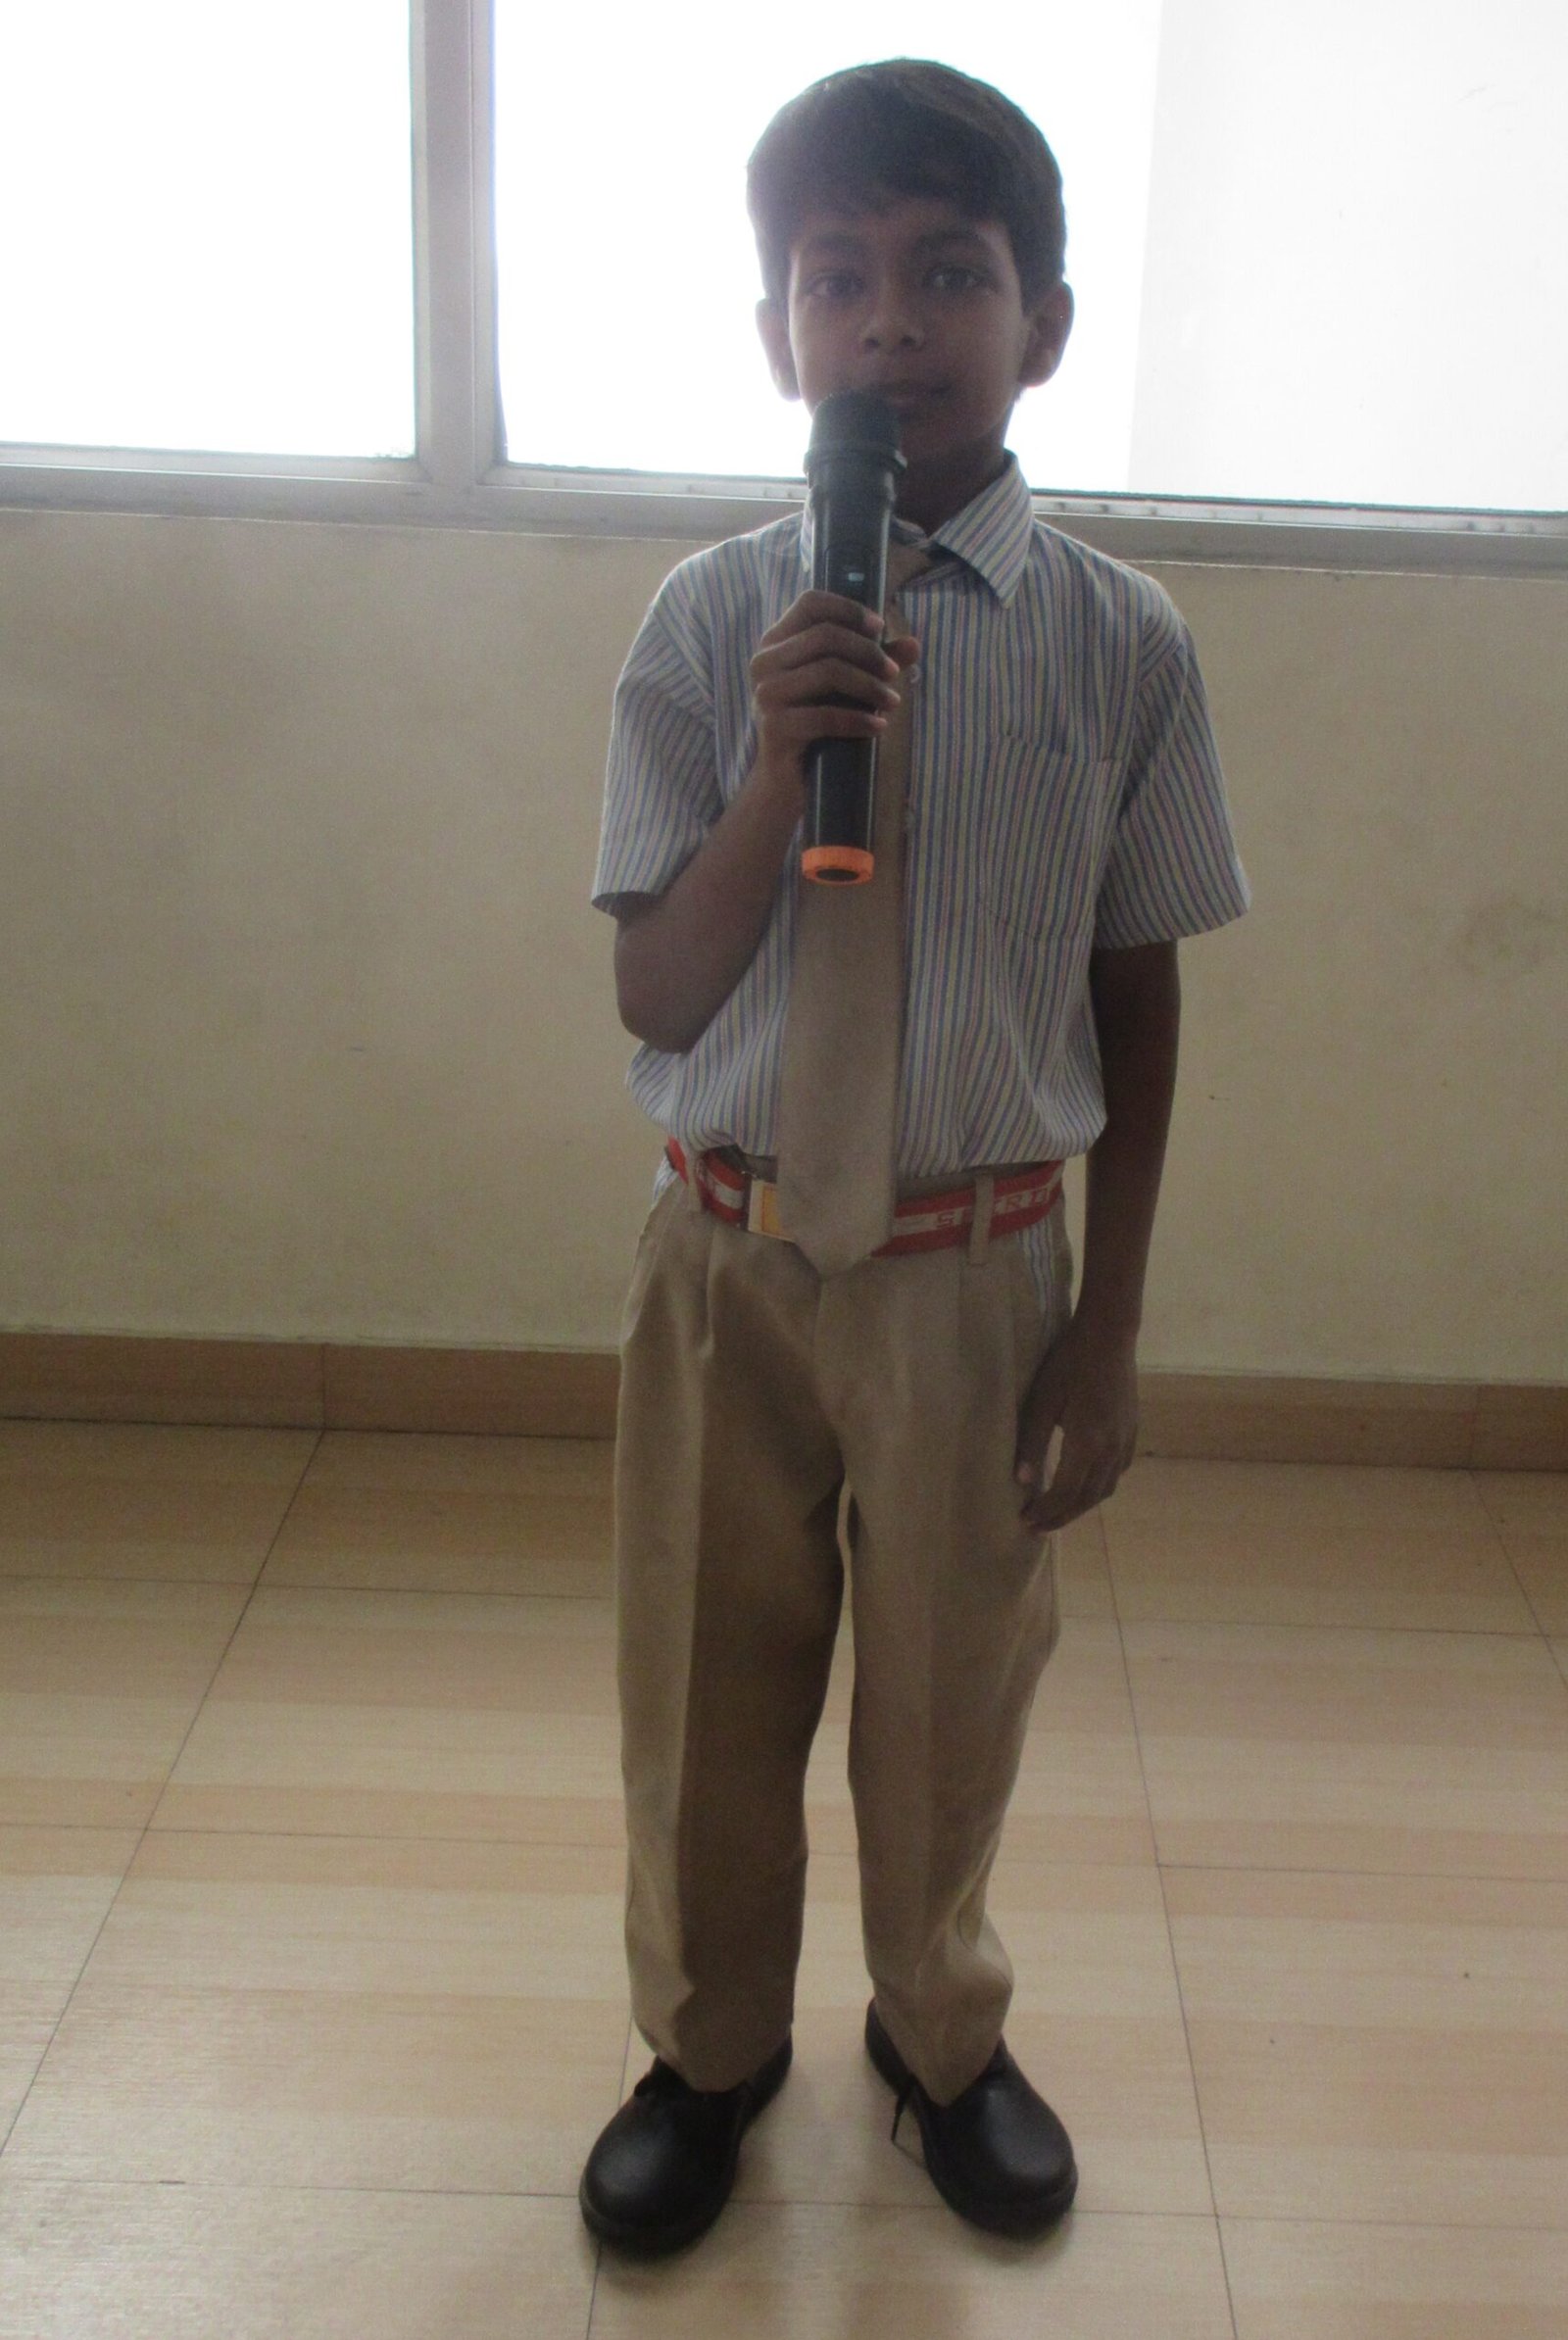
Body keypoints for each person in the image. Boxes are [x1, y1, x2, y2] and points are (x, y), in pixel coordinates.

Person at [579, 57, 1249, 2255]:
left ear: (1039, 321)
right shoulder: (707, 624)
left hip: (978, 1270)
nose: (888, 320)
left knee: (952, 1701)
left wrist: (1109, 1329)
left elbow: (1137, 990)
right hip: (729, 1259)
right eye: (835, 277)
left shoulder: (1121, 642)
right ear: (776, 331)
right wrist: (780, 774)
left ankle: (939, 2036)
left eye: (948, 273)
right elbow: (656, 989)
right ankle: (708, 2049)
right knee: (704, 1689)